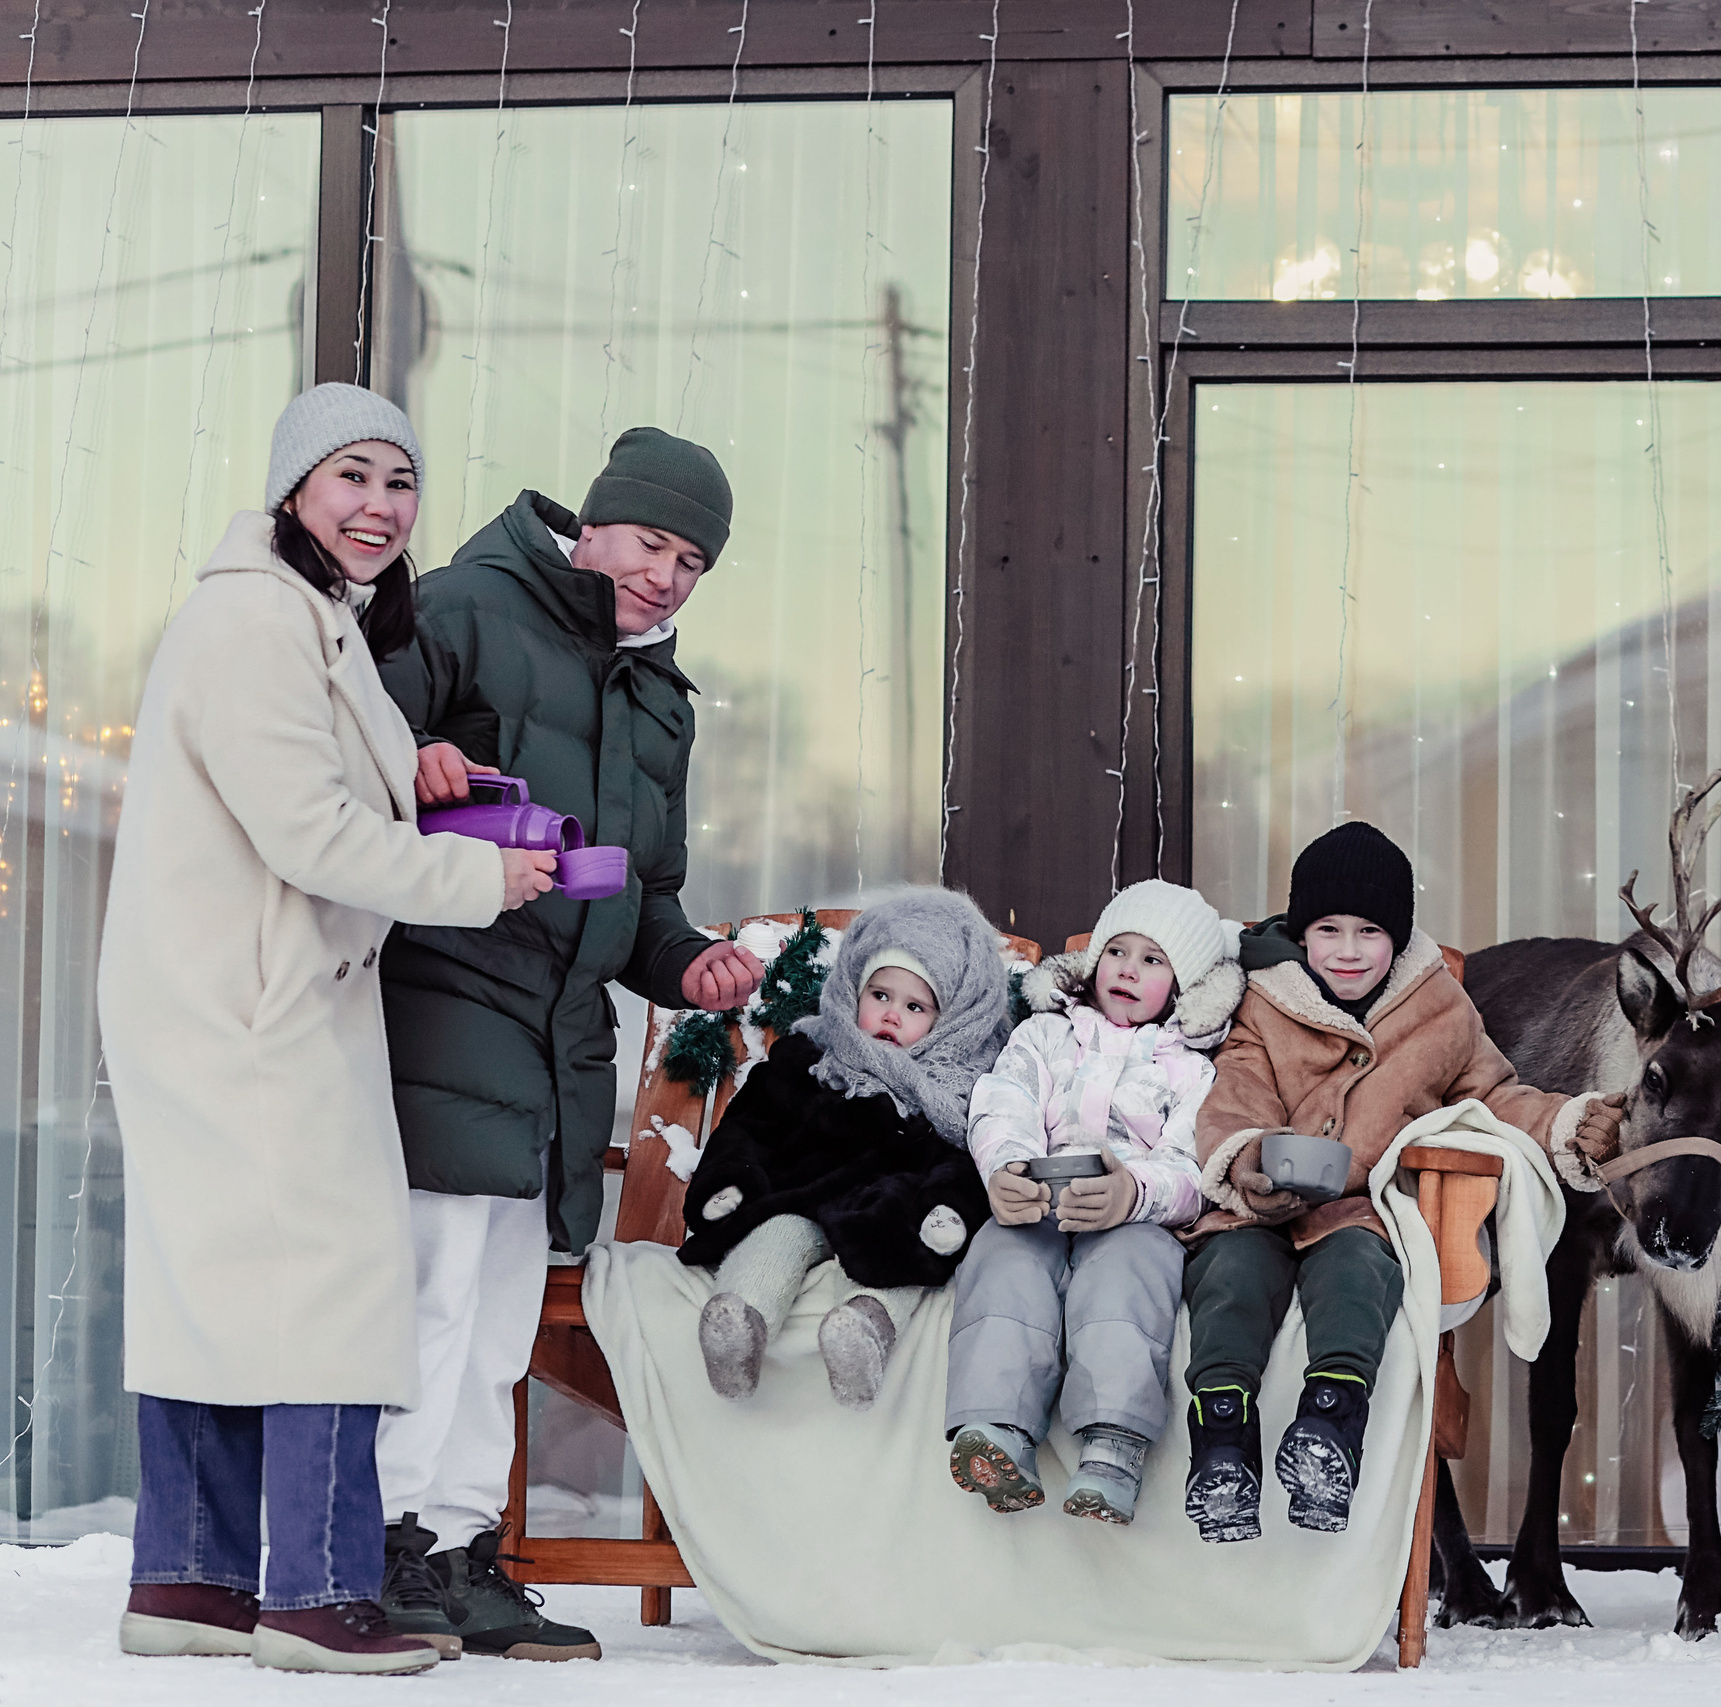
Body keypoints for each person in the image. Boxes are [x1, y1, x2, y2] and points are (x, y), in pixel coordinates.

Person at [99, 385, 557, 1674]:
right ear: (293, 488)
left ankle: (187, 1582)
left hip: (224, 1000)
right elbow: (305, 831)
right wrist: (479, 878)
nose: (379, 506)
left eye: (400, 483)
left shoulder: (307, 617)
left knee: (215, 1288)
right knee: (333, 1287)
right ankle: (316, 1597)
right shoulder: (259, 620)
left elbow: (310, 780)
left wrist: (416, 767)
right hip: (255, 1009)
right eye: (352, 476)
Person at [371, 427, 765, 1662]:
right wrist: (413, 762)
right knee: (431, 1295)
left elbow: (645, 899)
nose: (666, 576)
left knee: (496, 1315)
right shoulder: (463, 609)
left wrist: (687, 963)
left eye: (692, 563)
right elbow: (337, 763)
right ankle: (380, 1545)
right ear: (592, 524)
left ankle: (458, 1550)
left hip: (560, 1042)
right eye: (650, 542)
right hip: (444, 1000)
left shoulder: (658, 700)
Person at [1181, 823, 1626, 1542]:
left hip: (1358, 1209)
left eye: (1370, 932)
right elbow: (1235, 1093)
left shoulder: (1439, 1008)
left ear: (1398, 937)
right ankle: (1222, 1444)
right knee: (1229, 1277)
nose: (1348, 950)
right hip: (1255, 1209)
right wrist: (1251, 1158)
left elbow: (1493, 1095)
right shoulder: (1262, 1003)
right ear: (1302, 934)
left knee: (1360, 1272)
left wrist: (1565, 1124)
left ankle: (1329, 1432)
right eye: (1328, 930)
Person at [945, 880, 1243, 1525]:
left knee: (1126, 1280)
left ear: (1182, 985)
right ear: (1094, 961)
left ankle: (1113, 1445)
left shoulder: (1192, 1069)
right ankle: (997, 1431)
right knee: (1002, 1258)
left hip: (1129, 1213)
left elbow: (1192, 1165)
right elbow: (1005, 1102)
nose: (1128, 970)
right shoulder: (1044, 1034)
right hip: (1040, 1196)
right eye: (1117, 952)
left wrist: (1133, 1192)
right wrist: (1006, 1168)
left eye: (1152, 960)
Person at [676, 889, 1014, 1404]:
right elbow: (751, 1125)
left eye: (915, 1006)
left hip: (894, 1212)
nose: (891, 1015)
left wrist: (948, 1208)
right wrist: (731, 1178)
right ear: (854, 990)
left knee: (898, 1256)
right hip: (802, 1196)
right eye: (880, 995)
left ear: (951, 1021)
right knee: (776, 1236)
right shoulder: (812, 1059)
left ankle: (862, 1334)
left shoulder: (963, 1090)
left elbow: (966, 1162)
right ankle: (738, 1322)